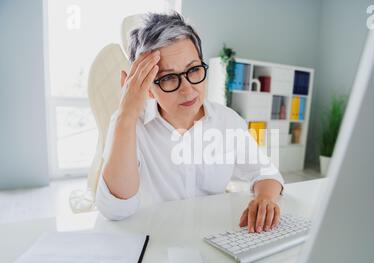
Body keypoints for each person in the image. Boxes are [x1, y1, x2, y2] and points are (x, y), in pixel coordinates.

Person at [96, 11, 284, 233]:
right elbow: (116, 209)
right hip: (153, 241)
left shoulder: (227, 121)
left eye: (194, 70)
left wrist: (265, 198)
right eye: (167, 77)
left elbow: (267, 172)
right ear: (147, 88)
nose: (187, 89)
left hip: (211, 238)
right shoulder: (129, 124)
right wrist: (126, 114)